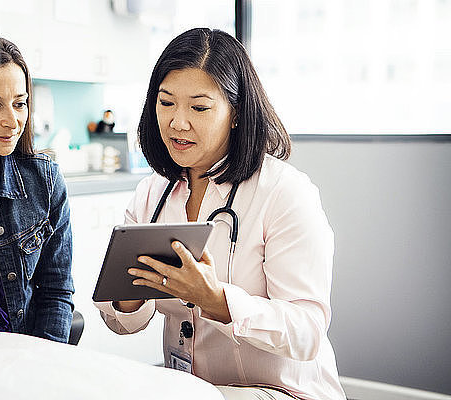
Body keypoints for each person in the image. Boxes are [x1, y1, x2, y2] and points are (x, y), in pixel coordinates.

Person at [95, 28, 346, 400]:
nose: (178, 122)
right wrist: (128, 297)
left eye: (199, 108)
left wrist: (217, 300)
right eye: (166, 104)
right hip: (193, 389)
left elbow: (306, 332)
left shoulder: (284, 193)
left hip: (283, 392)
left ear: (236, 112)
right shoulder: (153, 194)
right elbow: (121, 322)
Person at [0, 36, 75, 343]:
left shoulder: (44, 180)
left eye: (20, 104)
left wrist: (46, 358)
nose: (13, 121)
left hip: (24, 352)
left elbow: (57, 290)